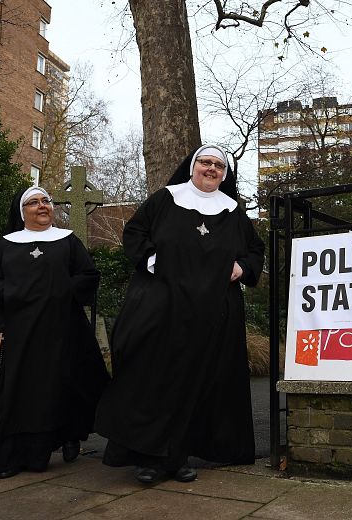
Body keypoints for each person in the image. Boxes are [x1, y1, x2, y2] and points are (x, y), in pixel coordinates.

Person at [95, 144, 265, 484]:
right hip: (164, 306)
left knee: (198, 384)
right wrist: (152, 260)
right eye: (205, 162)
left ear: (225, 174)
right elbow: (135, 233)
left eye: (219, 165)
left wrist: (242, 267)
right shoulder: (165, 199)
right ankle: (147, 457)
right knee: (154, 377)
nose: (211, 168)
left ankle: (178, 457)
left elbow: (255, 249)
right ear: (192, 166)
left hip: (211, 313)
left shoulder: (232, 211)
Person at [0, 186, 110, 478]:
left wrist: (59, 293)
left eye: (45, 200)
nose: (42, 206)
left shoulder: (67, 242)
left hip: (62, 330)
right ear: (22, 212)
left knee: (65, 386)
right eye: (33, 202)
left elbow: (87, 275)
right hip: (17, 333)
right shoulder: (7, 245)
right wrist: (15, 294)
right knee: (19, 392)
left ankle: (69, 436)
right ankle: (16, 453)